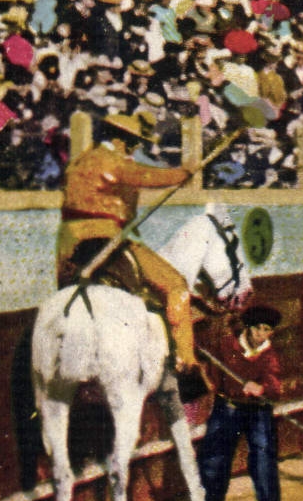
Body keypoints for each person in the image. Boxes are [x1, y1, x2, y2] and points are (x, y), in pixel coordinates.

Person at [55, 113, 199, 371]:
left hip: (68, 244)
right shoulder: (109, 161)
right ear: (121, 141)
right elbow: (142, 176)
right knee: (176, 285)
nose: (134, 150)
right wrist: (182, 174)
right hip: (102, 240)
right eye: (133, 144)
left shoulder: (80, 162)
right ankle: (185, 361)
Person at [198, 305, 285, 501]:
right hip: (227, 405)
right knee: (215, 457)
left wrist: (262, 387)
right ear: (248, 327)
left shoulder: (270, 355)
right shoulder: (227, 344)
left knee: (263, 457)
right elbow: (207, 363)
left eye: (267, 330)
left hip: (257, 410)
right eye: (258, 329)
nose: (261, 335)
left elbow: (275, 385)